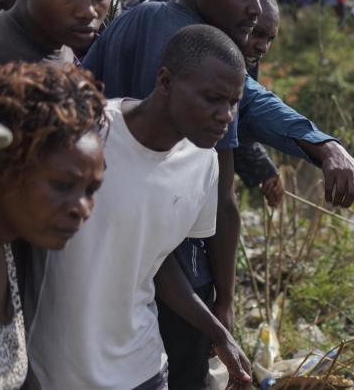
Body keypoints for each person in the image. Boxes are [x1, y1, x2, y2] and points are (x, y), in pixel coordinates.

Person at [84, 0, 354, 389]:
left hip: (120, 249)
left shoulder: (148, 21)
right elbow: (225, 190)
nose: (254, 9)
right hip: (161, 259)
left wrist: (312, 147)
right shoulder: (186, 42)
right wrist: (222, 305)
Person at [28, 25, 251, 390]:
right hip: (55, 371)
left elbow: (156, 260)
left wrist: (218, 330)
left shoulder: (204, 164)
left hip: (143, 369)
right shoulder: (87, 134)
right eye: (213, 98)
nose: (226, 115)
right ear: (165, 81)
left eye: (234, 102)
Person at [0, 61, 105, 390]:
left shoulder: (5, 246)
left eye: (91, 191)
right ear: (1, 166)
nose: (82, 209)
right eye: (63, 185)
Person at [233, 0, 283, 207]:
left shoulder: (247, 56)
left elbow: (239, 117)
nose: (263, 47)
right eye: (257, 33)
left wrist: (263, 169)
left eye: (270, 39)